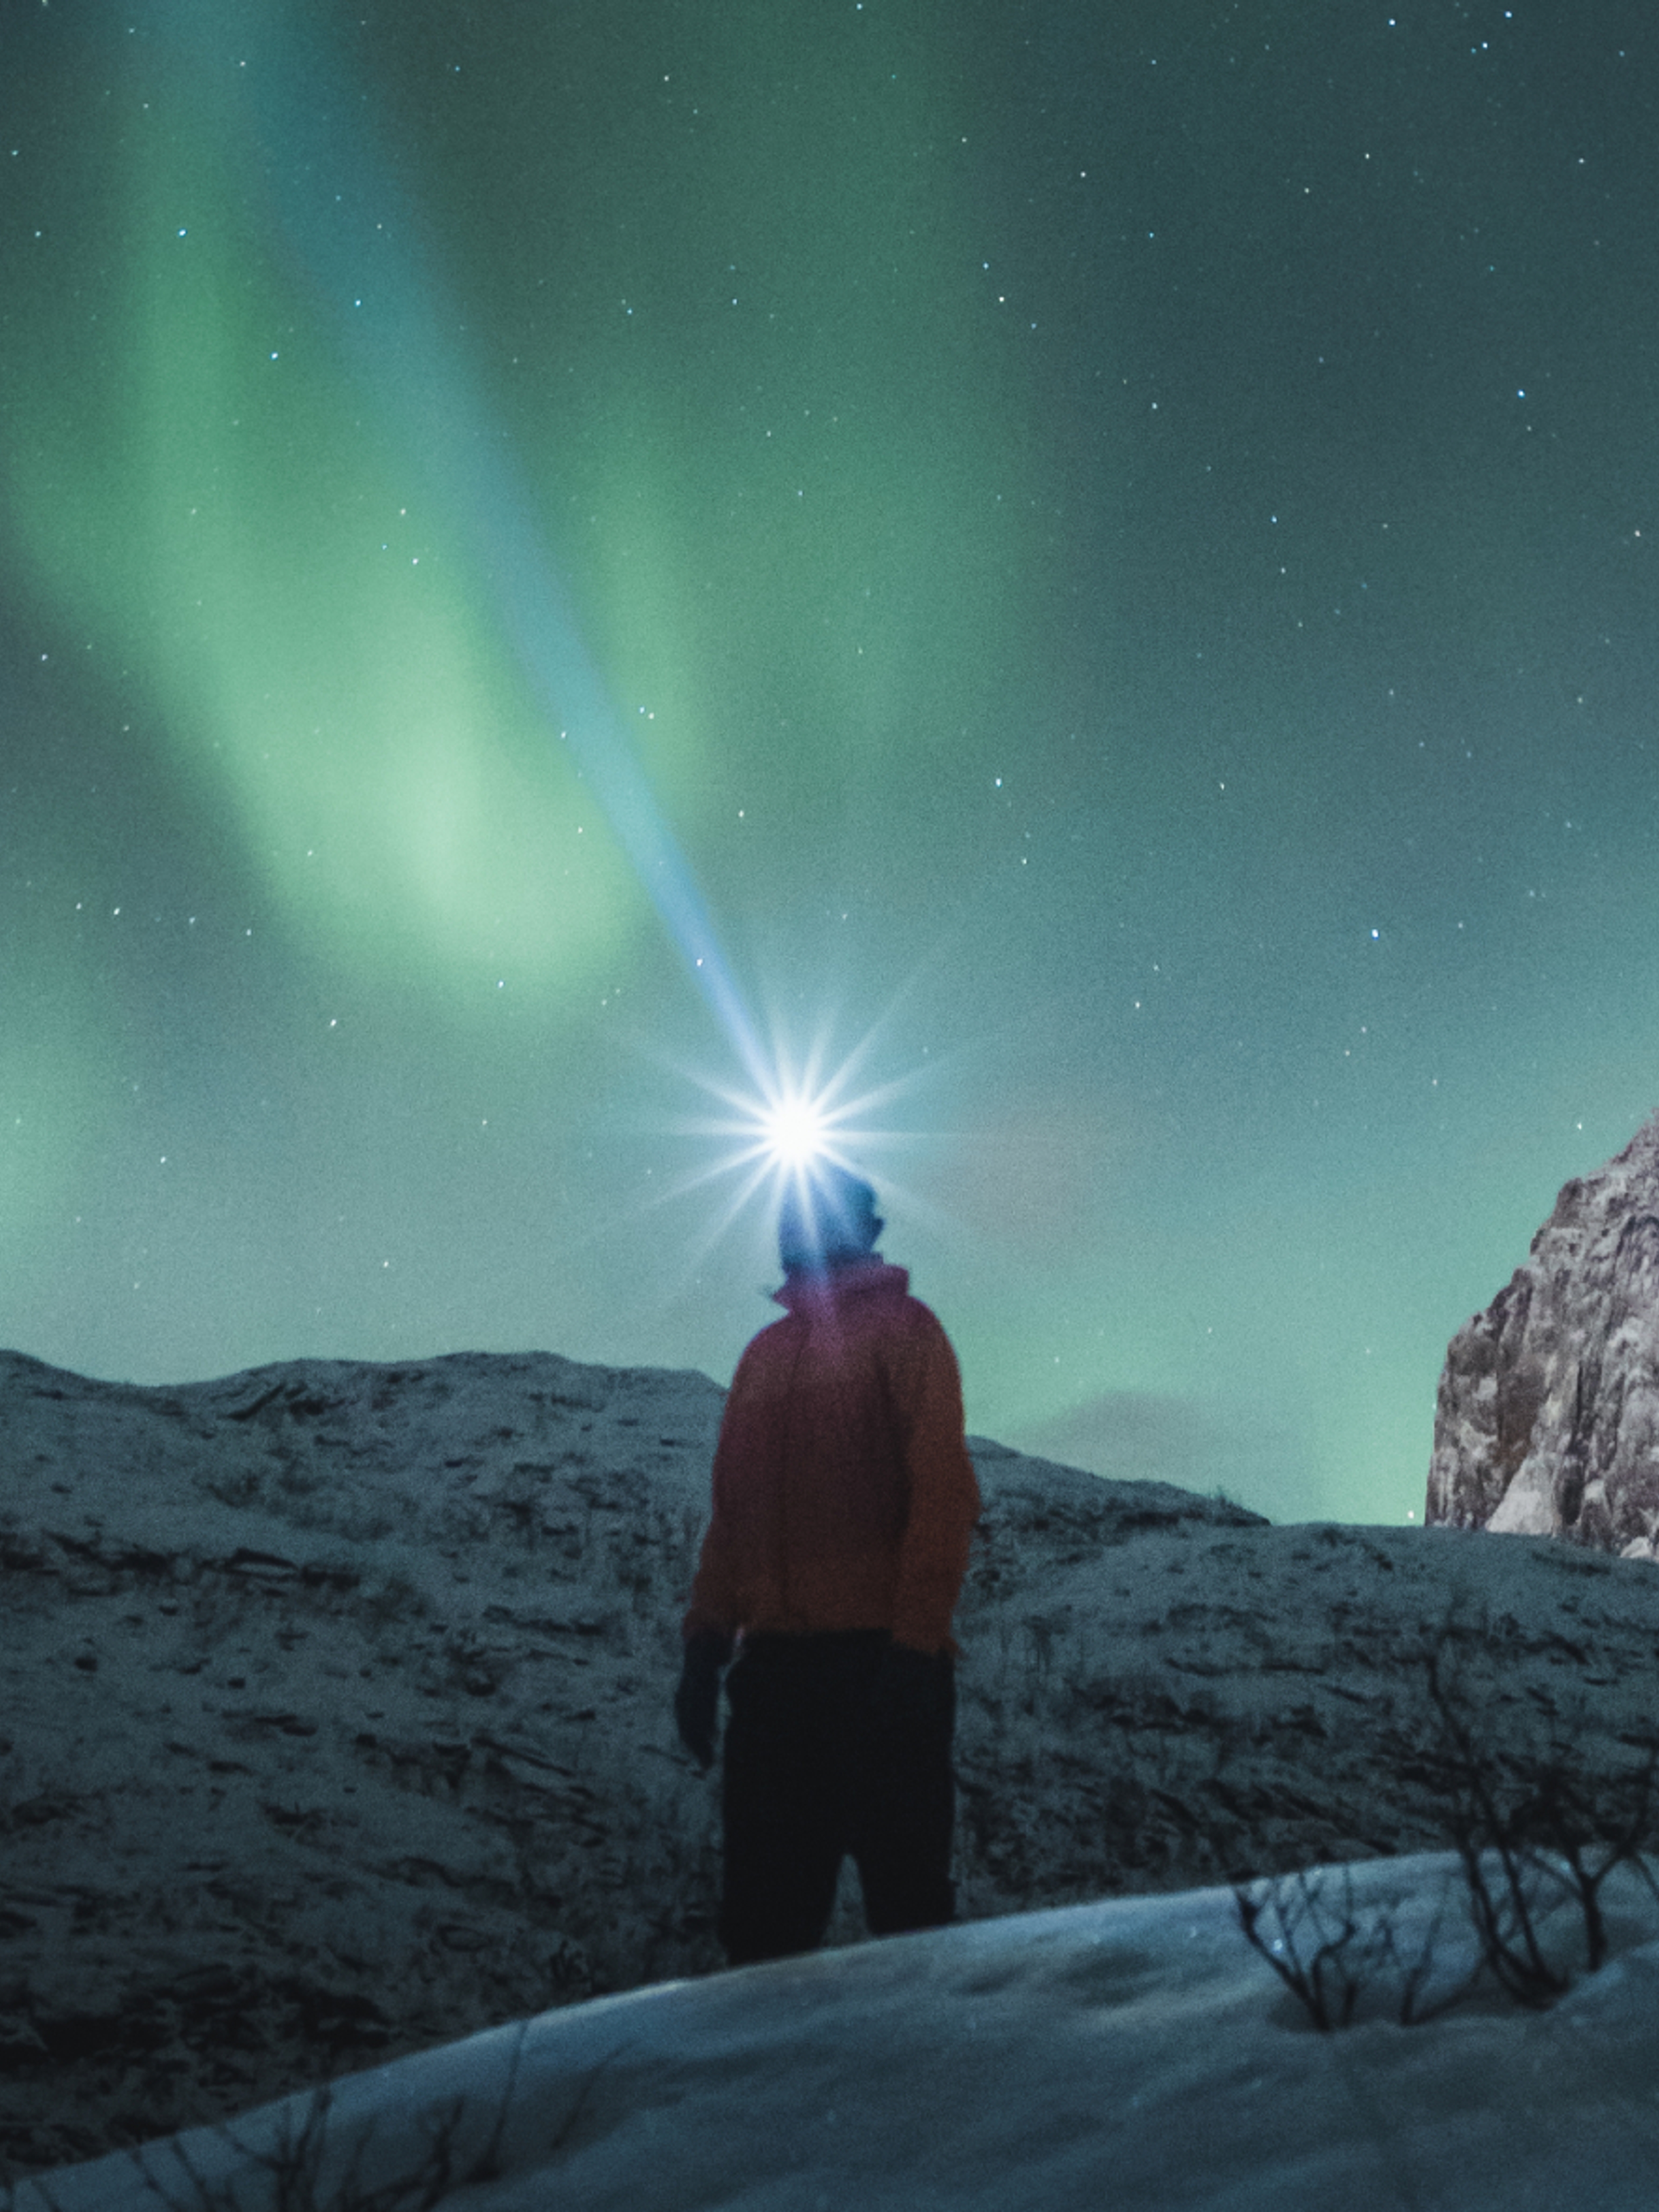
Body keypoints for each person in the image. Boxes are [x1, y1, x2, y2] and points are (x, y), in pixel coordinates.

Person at [675, 1163, 982, 1965]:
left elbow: (943, 1495)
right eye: (786, 1217)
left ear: (860, 1230)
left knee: (908, 1925)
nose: (789, 1231)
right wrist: (706, 1649)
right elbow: (733, 1516)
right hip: (777, 1680)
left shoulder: (908, 1333)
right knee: (763, 1936)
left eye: (807, 1217)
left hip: (882, 1668)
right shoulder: (763, 1356)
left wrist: (914, 1648)